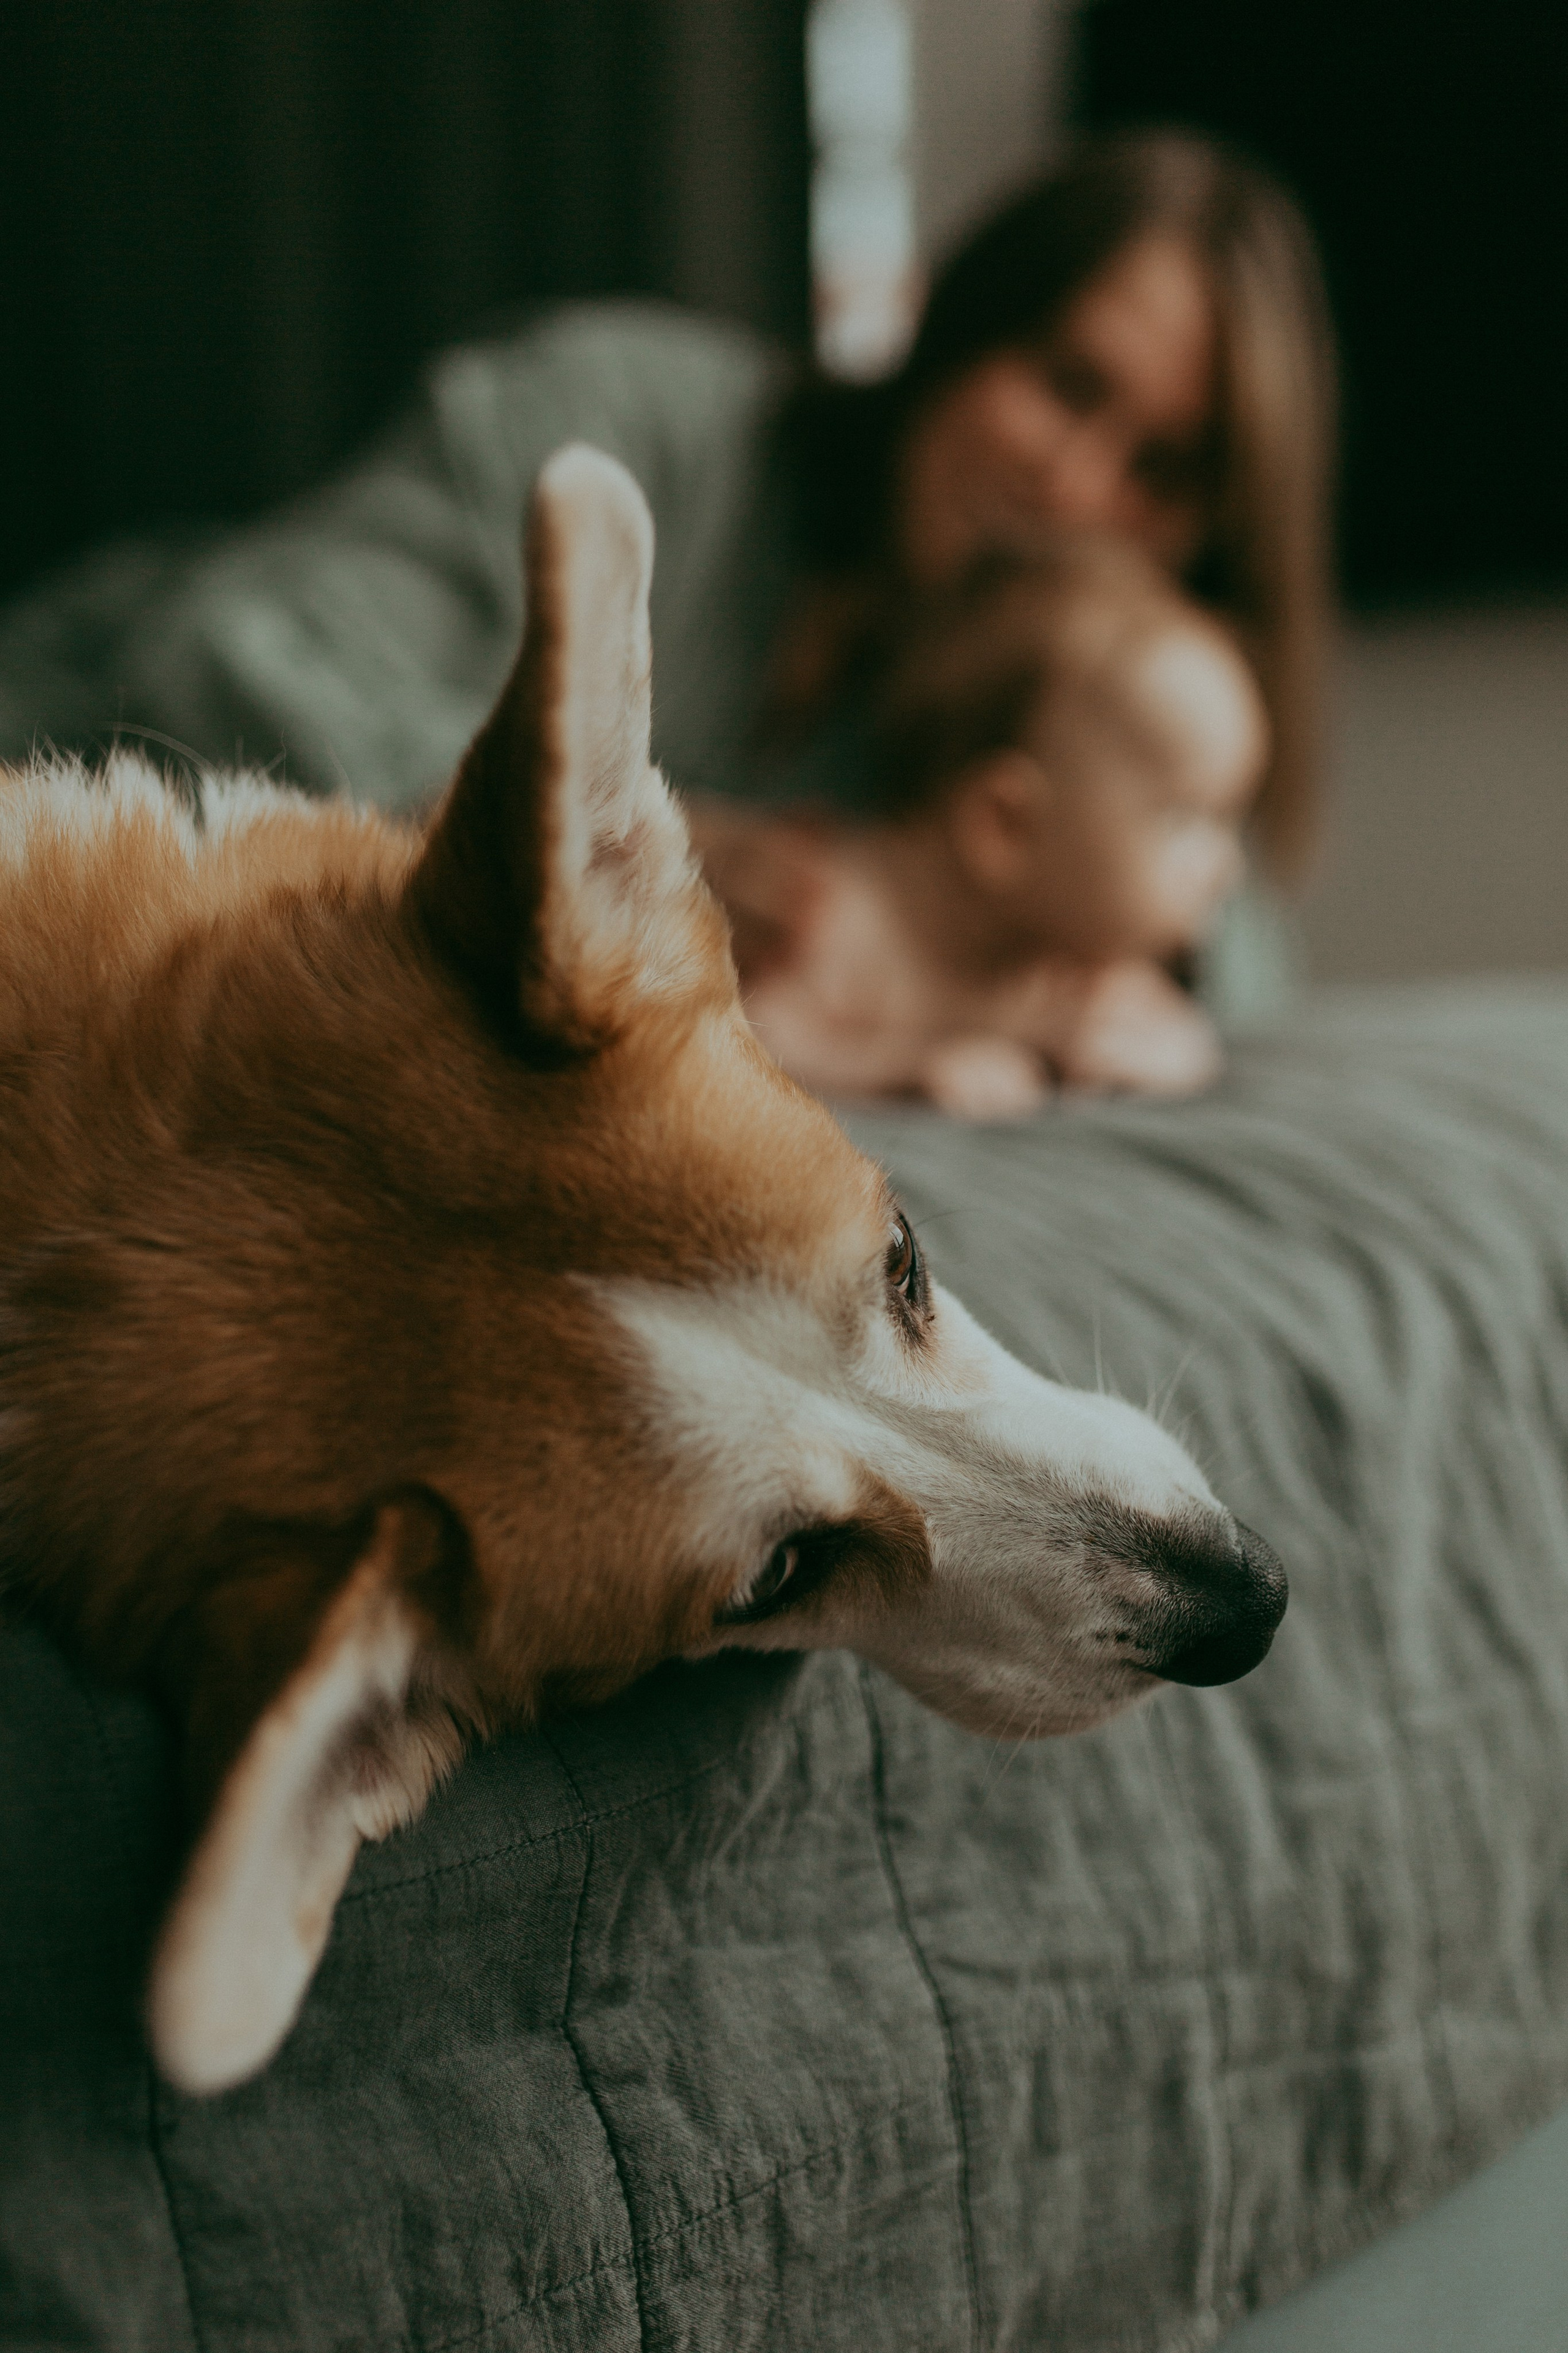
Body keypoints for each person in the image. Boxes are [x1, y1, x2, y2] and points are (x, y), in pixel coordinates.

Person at [0, 129, 1333, 1011]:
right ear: (957, 330)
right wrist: (600, 840)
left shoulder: (1043, 718)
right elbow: (226, 655)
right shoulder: (627, 413)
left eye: (1159, 472)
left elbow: (1226, 941)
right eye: (1063, 384)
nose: (1075, 490)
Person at [694, 535, 1269, 1116]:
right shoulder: (822, 911)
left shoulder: (1069, 961)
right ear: (1007, 828)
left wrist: (1164, 1052)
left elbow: (1173, 1036)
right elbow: (741, 1047)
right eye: (1188, 819)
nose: (1229, 866)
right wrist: (899, 1071)